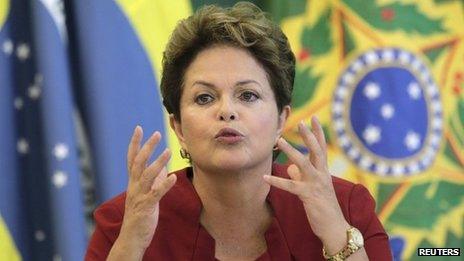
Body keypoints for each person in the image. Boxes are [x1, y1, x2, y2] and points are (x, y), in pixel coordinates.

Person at [85, 2, 392, 260]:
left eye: (248, 95)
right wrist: (131, 245)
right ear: (178, 127)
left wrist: (337, 233)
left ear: (281, 120)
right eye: (204, 97)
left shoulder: (346, 206)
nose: (226, 111)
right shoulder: (123, 222)